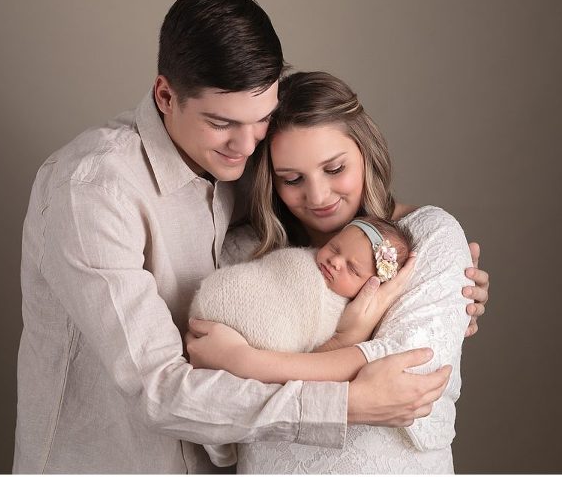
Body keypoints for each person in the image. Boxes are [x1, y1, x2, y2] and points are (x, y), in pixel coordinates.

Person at [14, 0, 489, 473]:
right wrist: (347, 403)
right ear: (165, 95)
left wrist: (445, 270)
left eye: (261, 119)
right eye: (222, 123)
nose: (244, 146)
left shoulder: (245, 175)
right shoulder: (93, 189)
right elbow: (159, 389)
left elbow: (330, 221)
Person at [186, 71, 476, 473]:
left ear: (365, 152)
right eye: (292, 179)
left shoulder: (429, 236)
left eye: (335, 169)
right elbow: (215, 401)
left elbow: (408, 372)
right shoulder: (244, 251)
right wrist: (352, 348)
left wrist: (244, 361)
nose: (318, 196)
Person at [192, 216, 414, 466]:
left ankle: (218, 435)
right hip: (231, 302)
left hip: (250, 342)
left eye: (352, 269)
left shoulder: (345, 312)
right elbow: (278, 271)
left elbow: (312, 359)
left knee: (226, 391)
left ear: (370, 287)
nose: (335, 262)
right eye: (335, 247)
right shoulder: (303, 259)